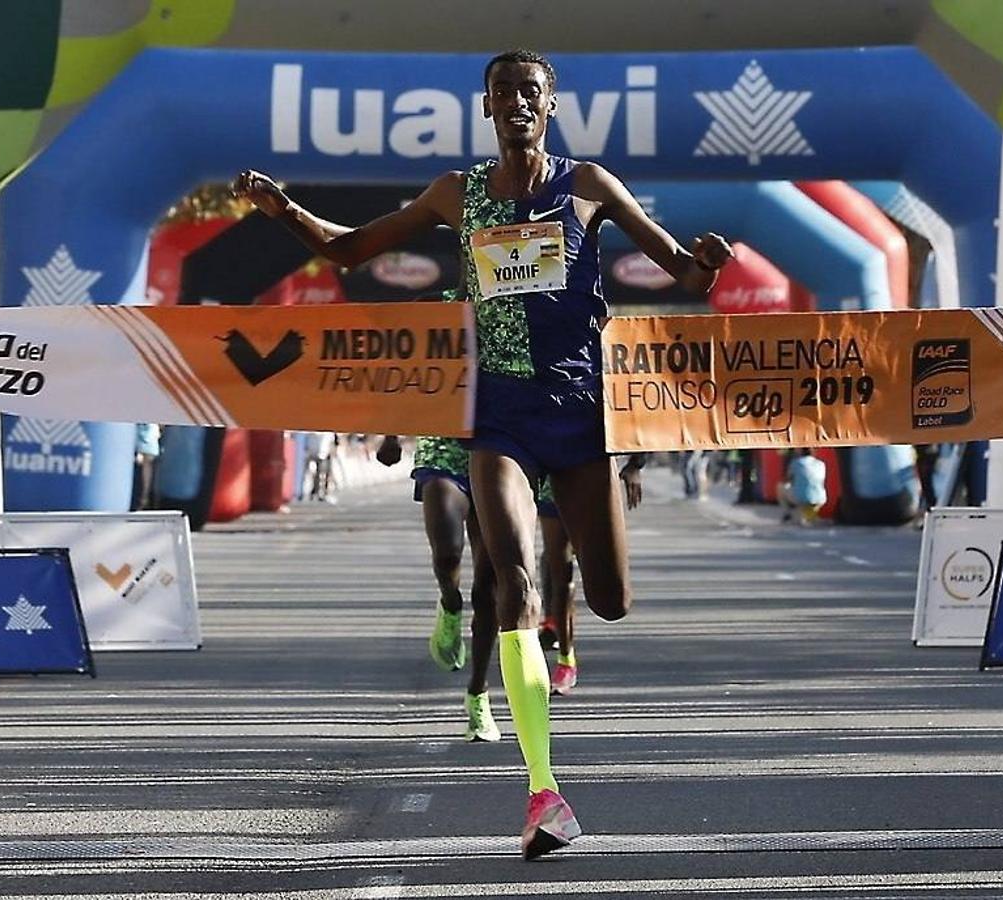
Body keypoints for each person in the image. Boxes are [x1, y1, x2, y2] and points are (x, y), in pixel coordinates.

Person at [233, 47, 732, 859]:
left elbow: (682, 270)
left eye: (529, 93)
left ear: (550, 106)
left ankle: (560, 666)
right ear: (488, 107)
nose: (516, 104)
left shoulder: (588, 186)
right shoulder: (455, 194)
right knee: (512, 577)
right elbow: (352, 249)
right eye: (503, 94)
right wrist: (283, 208)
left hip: (576, 409)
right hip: (492, 412)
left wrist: (705, 262)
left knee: (608, 600)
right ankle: (545, 793)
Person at [379, 433, 502, 743]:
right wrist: (391, 432)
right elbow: (409, 382)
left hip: (501, 442)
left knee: (488, 586)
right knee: (447, 553)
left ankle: (478, 693)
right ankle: (450, 603)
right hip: (443, 446)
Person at [538, 454, 645, 696]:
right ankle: (566, 659)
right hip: (547, 471)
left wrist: (637, 464)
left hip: (590, 471)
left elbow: (629, 417)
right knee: (559, 566)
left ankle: (557, 624)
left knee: (607, 590)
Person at [779, 448, 828, 526]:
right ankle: (808, 516)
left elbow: (788, 479)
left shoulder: (796, 463)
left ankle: (787, 512)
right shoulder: (821, 463)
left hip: (801, 498)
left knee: (780, 486)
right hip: (820, 498)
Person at [131, 423, 160, 511]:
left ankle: (143, 498)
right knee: (146, 467)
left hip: (145, 438)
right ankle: (144, 498)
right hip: (147, 437)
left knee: (145, 467)